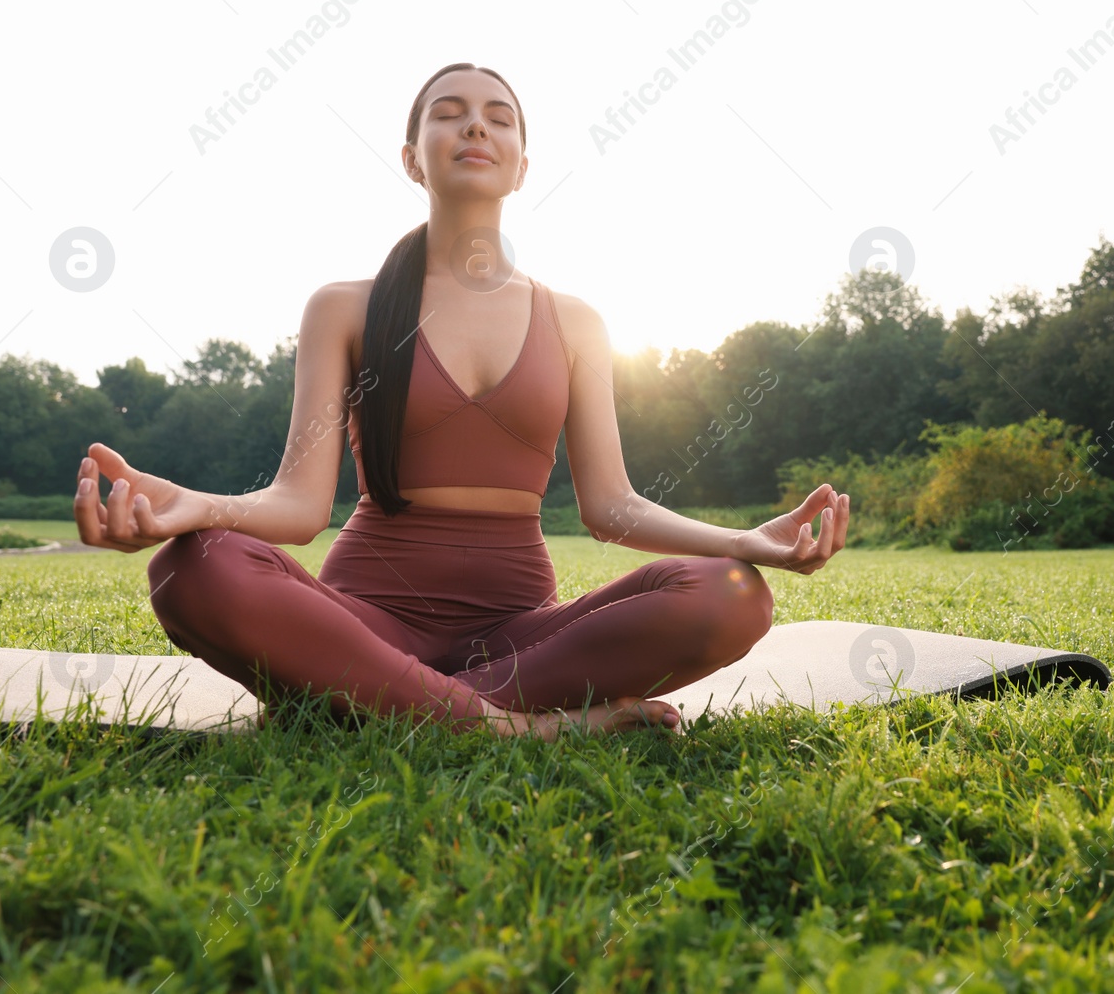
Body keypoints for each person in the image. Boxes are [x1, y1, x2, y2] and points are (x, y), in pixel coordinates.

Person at [72, 62, 850, 741]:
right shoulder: (345, 307)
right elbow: (300, 506)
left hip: (518, 641)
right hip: (363, 621)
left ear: (520, 165)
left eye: (498, 116)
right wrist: (192, 505)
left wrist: (744, 542)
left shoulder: (575, 321)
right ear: (413, 158)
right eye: (448, 112)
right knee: (195, 566)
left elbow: (612, 507)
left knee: (730, 593)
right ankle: (515, 728)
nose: (475, 123)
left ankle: (367, 697)